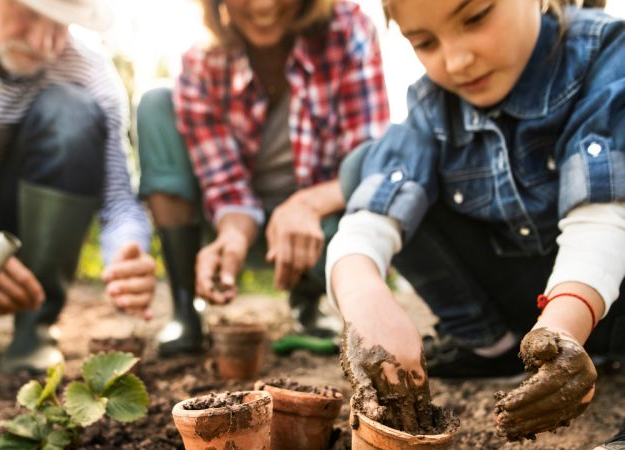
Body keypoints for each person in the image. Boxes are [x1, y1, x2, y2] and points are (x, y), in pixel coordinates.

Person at [327, 0, 625, 441]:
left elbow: (603, 217)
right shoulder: (432, 104)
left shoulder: (605, 53)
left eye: (476, 17)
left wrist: (563, 327)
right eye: (425, 42)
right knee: (362, 169)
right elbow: (370, 217)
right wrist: (366, 301)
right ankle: (492, 348)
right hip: (529, 307)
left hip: (603, 298)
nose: (457, 60)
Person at [136, 0, 390, 355]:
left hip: (321, 226)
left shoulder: (348, 28)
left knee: (377, 208)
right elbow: (225, 185)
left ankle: (308, 297)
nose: (264, 4)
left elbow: (369, 162)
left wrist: (306, 205)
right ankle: (185, 304)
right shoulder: (200, 63)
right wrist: (233, 234)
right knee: (155, 102)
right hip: (240, 227)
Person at [0, 0, 156, 374]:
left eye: (62, 24)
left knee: (72, 112)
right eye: (29, 13)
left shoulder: (87, 70)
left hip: (11, 212)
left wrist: (126, 252)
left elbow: (118, 204)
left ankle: (35, 328)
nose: (44, 42)